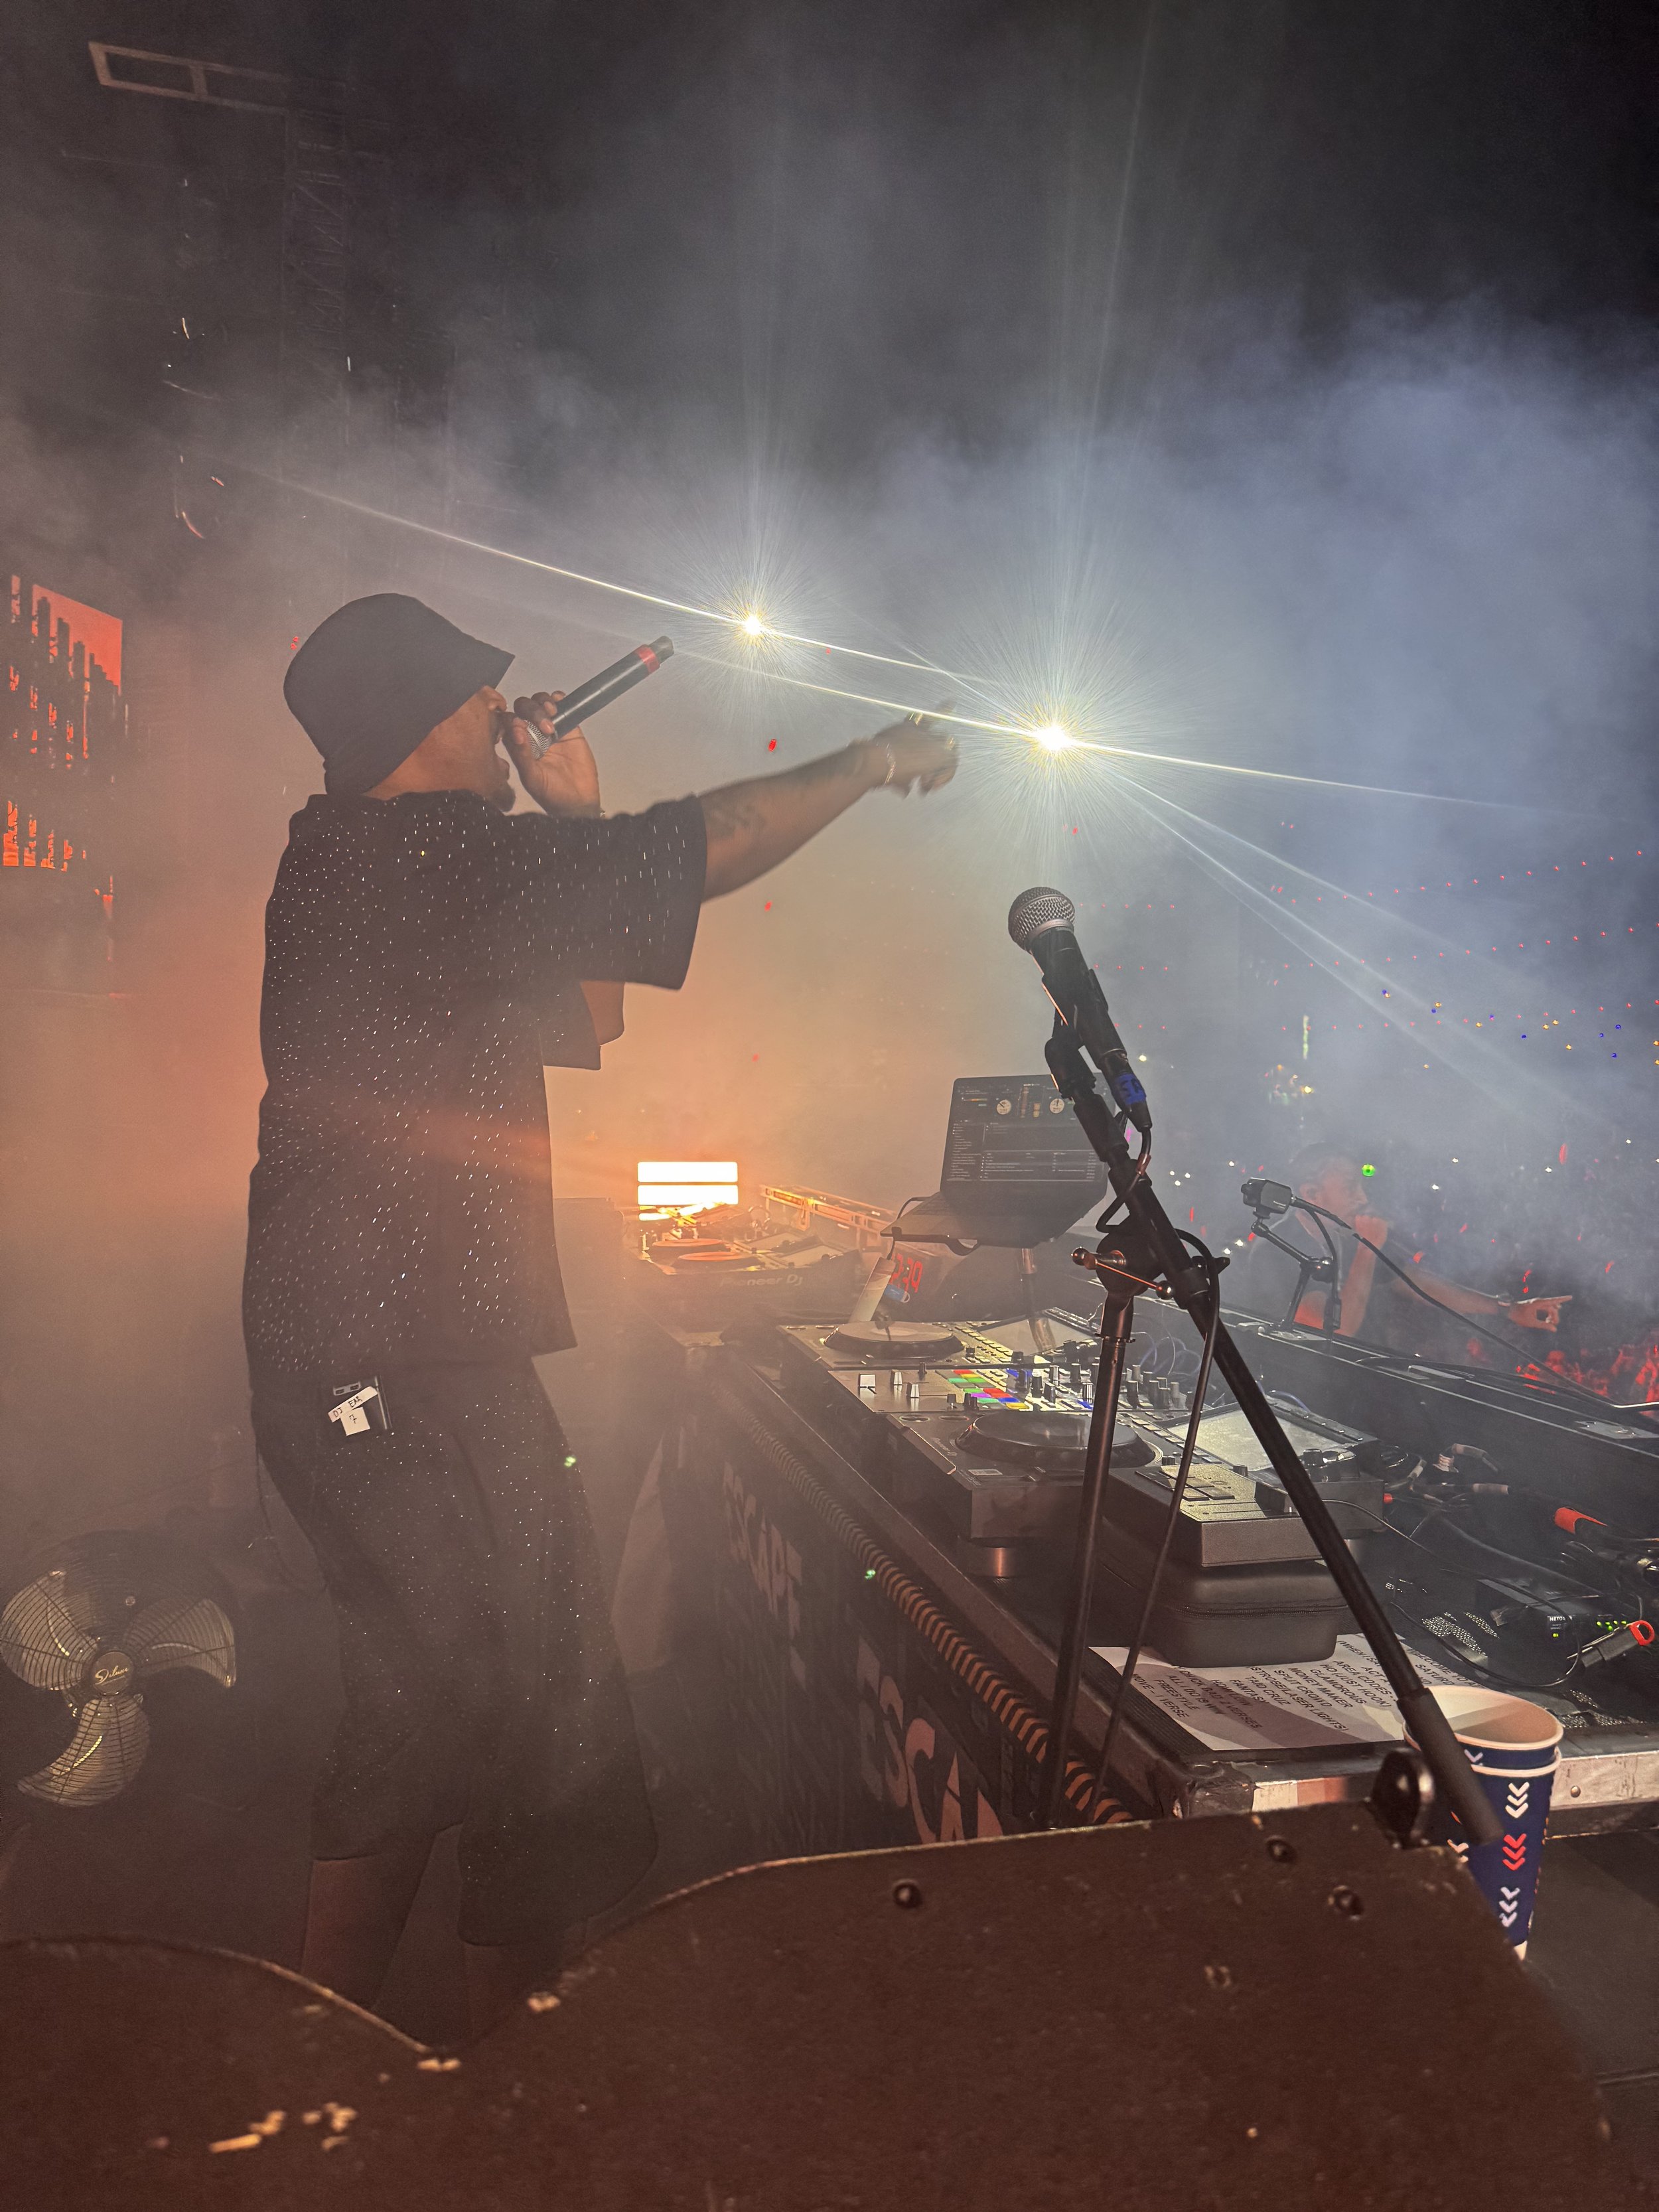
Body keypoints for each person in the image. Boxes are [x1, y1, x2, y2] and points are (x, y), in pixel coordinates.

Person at [244, 593, 956, 2029]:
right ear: (416, 721)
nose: (498, 722)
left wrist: (569, 811)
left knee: (484, 1707)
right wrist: (869, 761)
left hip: (413, 1354)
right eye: (474, 701)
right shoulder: (400, 855)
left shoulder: (405, 871)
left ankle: (411, 2069)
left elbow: (598, 1010)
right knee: (489, 1706)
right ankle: (409, 2081)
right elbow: (700, 850)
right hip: (389, 1364)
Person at [1284, 1144, 1569, 1348]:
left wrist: (1507, 1309)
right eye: (1350, 1188)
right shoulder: (1279, 1248)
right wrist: (1369, 1248)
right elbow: (1339, 1329)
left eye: (1362, 1186)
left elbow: (1417, 1283)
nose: (1362, 1198)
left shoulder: (1345, 1240)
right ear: (1311, 1193)